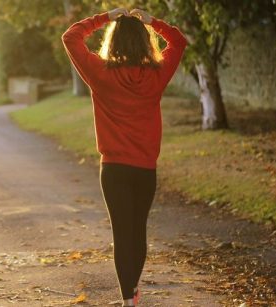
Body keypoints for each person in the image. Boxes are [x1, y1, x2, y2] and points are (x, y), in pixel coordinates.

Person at [61, 7, 187, 307]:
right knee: (138, 230)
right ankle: (132, 292)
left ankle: (128, 299)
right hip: (145, 169)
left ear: (113, 41)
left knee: (122, 233)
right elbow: (179, 42)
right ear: (145, 42)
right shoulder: (156, 75)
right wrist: (152, 22)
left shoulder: (100, 74)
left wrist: (106, 17)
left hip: (114, 169)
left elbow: (71, 37)